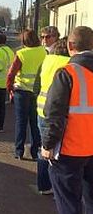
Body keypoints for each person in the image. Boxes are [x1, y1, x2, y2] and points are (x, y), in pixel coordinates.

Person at [41, 26, 93, 214]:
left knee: (69, 202)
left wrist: (47, 145)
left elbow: (55, 114)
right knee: (91, 198)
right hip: (91, 147)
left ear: (70, 46)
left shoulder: (68, 73)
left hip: (70, 149)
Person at [34, 37, 70, 195]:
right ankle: (58, 189)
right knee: (59, 153)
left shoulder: (46, 61)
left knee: (44, 148)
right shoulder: (70, 65)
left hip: (42, 110)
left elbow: (36, 86)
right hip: (62, 113)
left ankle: (43, 185)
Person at [7, 29, 47, 160]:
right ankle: (35, 152)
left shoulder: (21, 53)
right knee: (35, 123)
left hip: (21, 91)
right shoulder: (44, 52)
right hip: (38, 92)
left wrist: (10, 89)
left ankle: (19, 151)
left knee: (21, 122)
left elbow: (11, 74)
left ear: (24, 41)